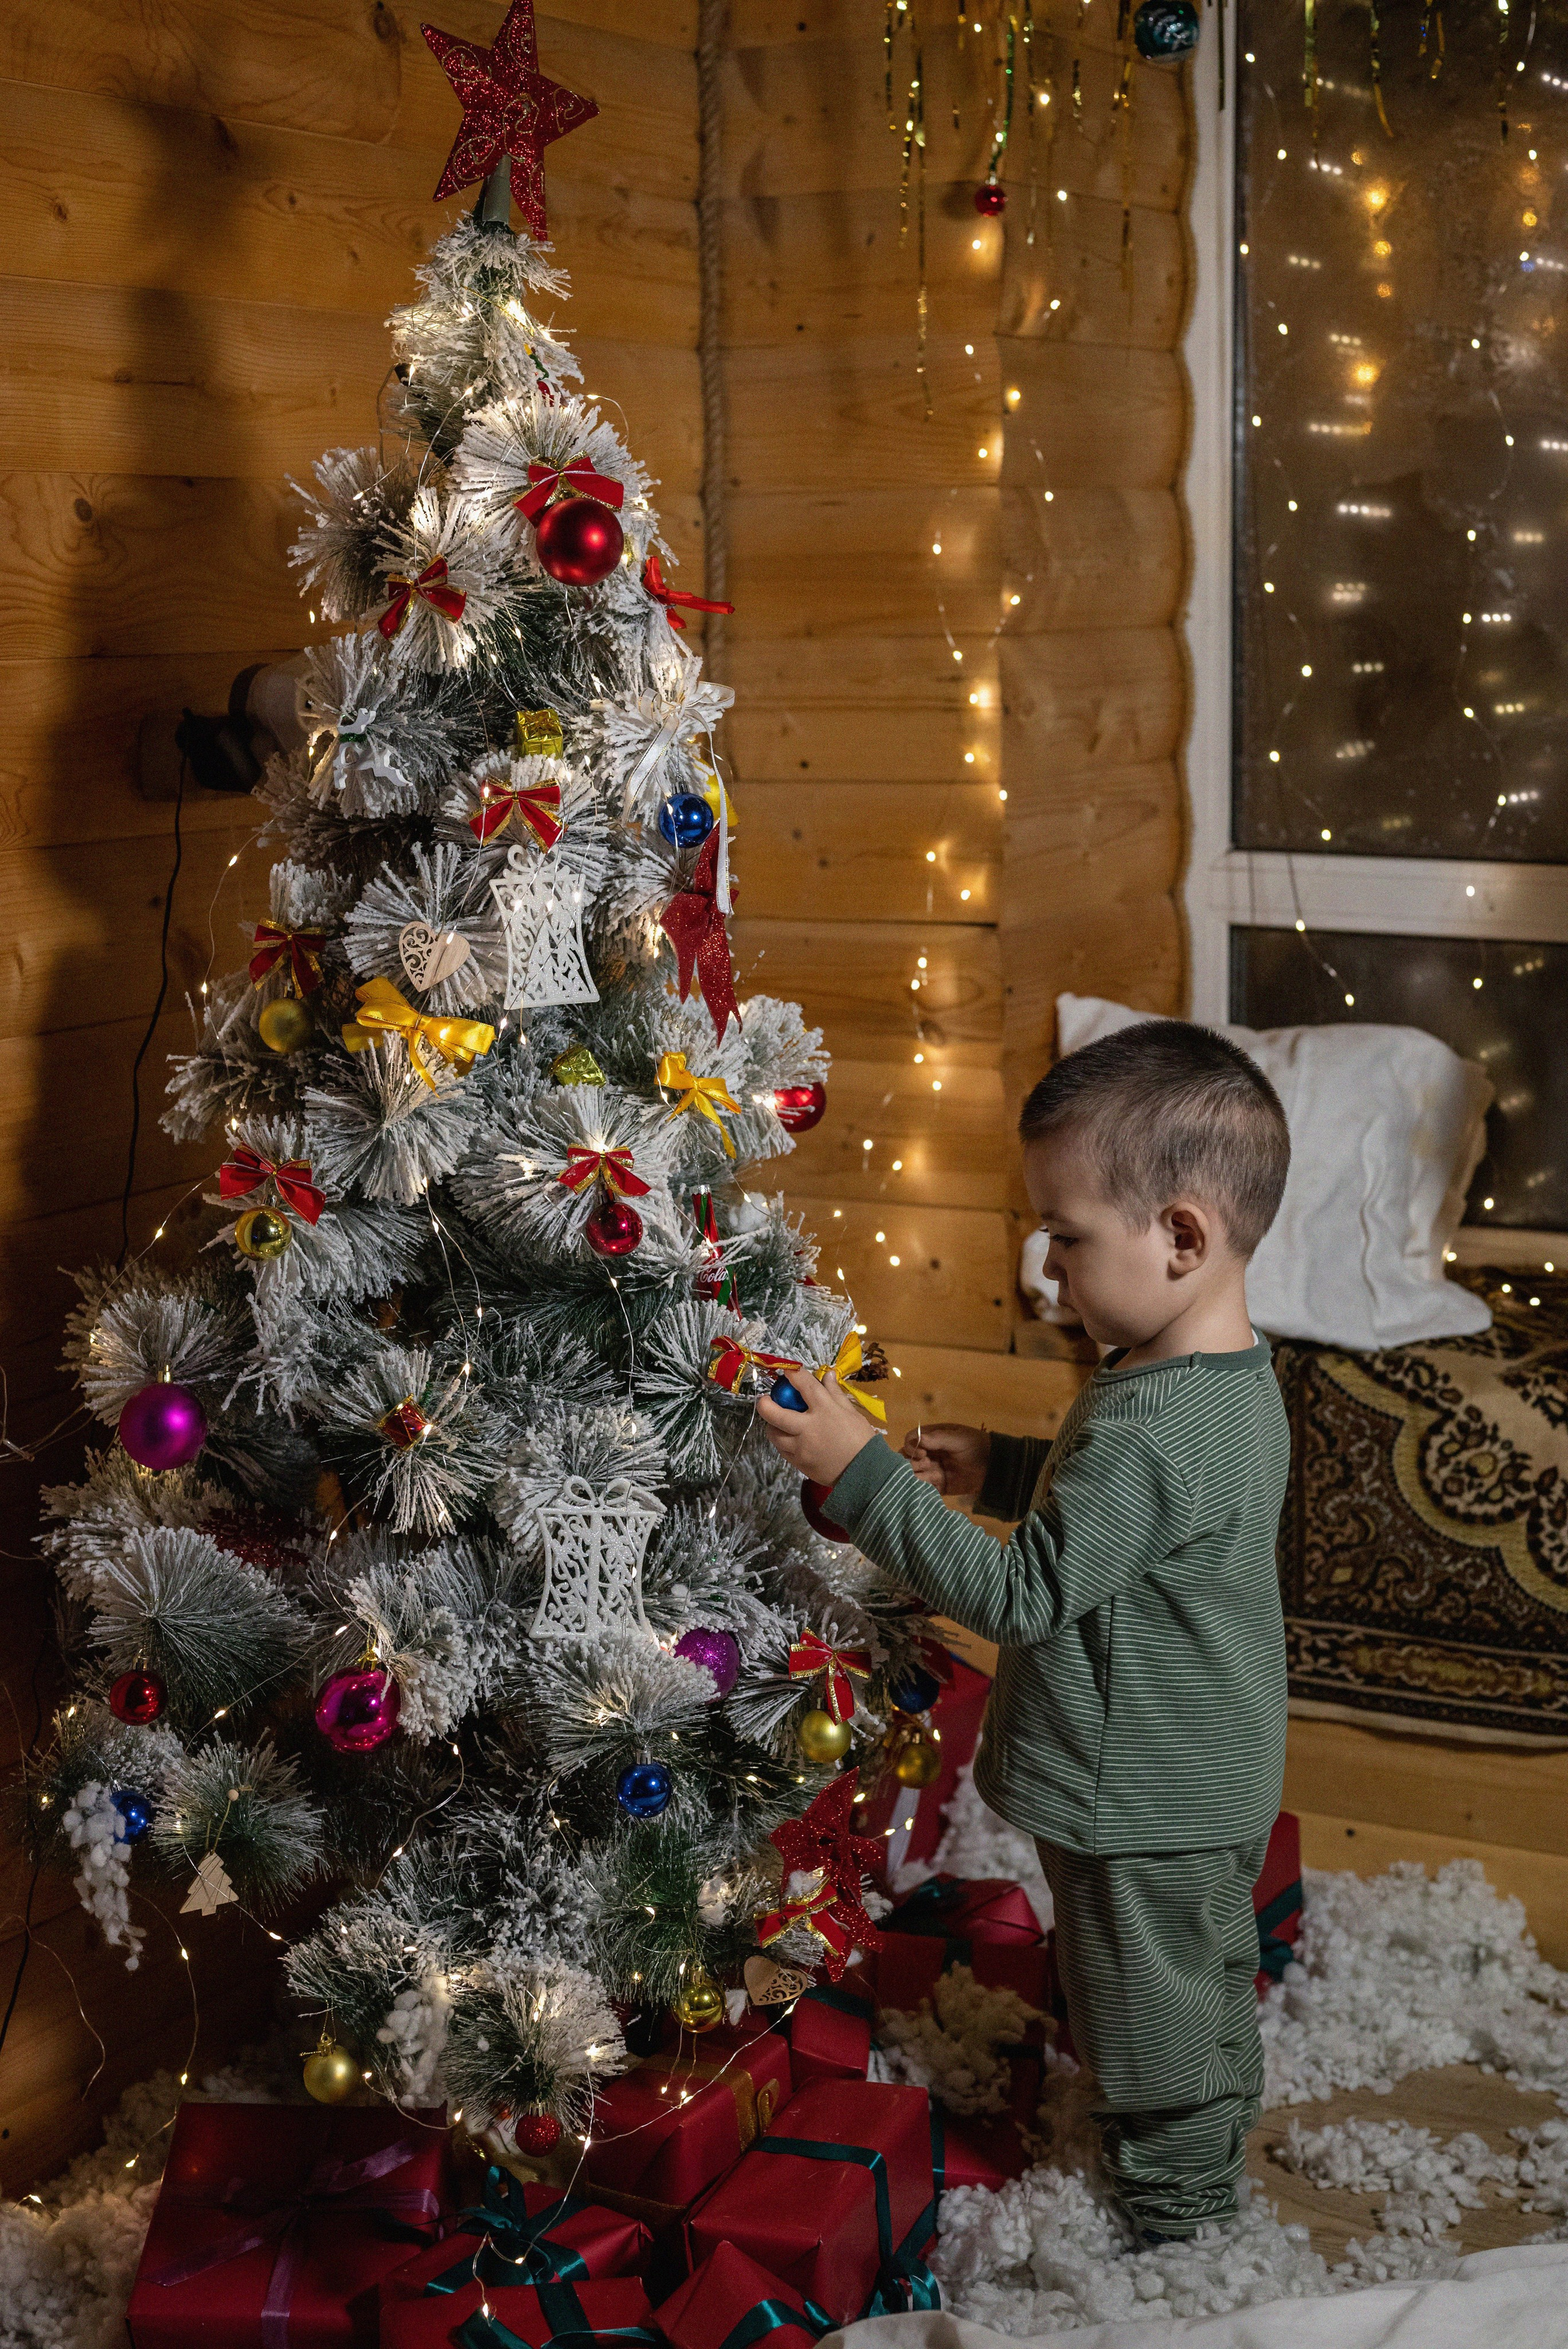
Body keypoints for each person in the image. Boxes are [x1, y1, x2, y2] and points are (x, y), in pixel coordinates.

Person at [758, 1018, 1294, 2244]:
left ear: (1180, 1237)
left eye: (1065, 1235)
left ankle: (1180, 2214)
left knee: (1142, 2005)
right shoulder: (1215, 1378)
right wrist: (1000, 1468)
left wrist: (863, 1479)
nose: (1045, 1270)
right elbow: (1128, 1522)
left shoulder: (1146, 1423)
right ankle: (1202, 2110)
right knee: (1190, 1968)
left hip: (1140, 1788)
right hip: (1199, 1761)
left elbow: (1017, 1599)